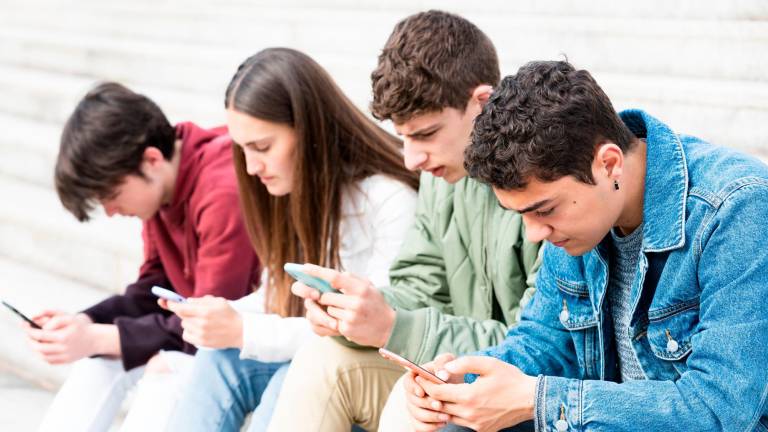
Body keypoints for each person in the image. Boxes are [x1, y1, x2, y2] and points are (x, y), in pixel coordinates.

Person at [406, 60, 768, 431]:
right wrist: (459, 382)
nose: (534, 233)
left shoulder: (737, 208)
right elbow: (544, 342)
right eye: (521, 215)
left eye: (544, 209)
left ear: (608, 164)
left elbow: (720, 408)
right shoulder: (576, 229)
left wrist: (539, 399)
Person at [267, 11, 541, 432]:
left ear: (482, 103)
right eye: (404, 136)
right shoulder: (441, 177)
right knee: (322, 359)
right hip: (452, 374)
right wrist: (356, 316)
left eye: (426, 134)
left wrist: (395, 327)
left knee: (415, 404)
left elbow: (537, 345)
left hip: (522, 396)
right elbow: (420, 285)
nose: (411, 159)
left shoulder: (548, 187)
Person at [162, 47, 420, 432]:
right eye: (243, 149)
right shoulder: (293, 192)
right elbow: (278, 298)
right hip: (321, 356)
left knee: (297, 375)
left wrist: (243, 329)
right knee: (219, 358)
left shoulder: (389, 199)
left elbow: (366, 334)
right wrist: (221, 314)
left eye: (263, 148)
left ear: (309, 128)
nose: (251, 168)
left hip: (374, 373)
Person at [29, 82, 259, 431]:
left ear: (151, 160)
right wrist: (84, 324)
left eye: (112, 194)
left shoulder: (223, 190)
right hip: (202, 335)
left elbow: (207, 325)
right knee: (97, 362)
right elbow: (152, 289)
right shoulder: (164, 186)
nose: (109, 211)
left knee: (164, 374)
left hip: (244, 340)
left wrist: (99, 337)